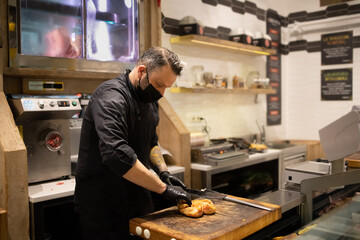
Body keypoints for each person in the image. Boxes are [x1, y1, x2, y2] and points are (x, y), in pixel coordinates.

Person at [74, 47, 192, 240]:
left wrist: (164, 173)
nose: (161, 93)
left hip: (138, 201)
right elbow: (117, 155)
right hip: (103, 207)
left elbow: (152, 142)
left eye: (166, 88)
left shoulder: (150, 98)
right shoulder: (111, 97)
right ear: (141, 71)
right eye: (159, 84)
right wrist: (163, 188)